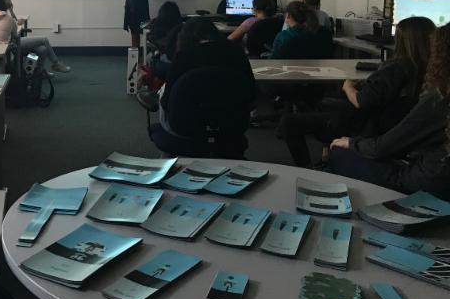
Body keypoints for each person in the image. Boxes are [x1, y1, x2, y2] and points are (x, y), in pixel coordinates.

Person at [279, 16, 435, 167]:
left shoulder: (396, 69)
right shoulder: (434, 71)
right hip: (393, 132)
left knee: (289, 123)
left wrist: (348, 85)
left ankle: (307, 168)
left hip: (360, 124)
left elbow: (361, 101)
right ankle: (328, 155)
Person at [328, 24, 450, 197]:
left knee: (338, 153)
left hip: (429, 182)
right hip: (438, 171)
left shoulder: (441, 98)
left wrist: (352, 143)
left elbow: (384, 147)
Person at [160, 17, 255, 113]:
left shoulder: (182, 57)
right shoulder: (237, 52)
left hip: (188, 120)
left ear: (183, 38)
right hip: (233, 117)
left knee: (164, 89)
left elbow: (166, 102)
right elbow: (251, 93)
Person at [0, 0, 71, 73]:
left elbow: (13, 26)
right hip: (11, 44)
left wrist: (12, 12)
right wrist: (14, 18)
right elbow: (15, 32)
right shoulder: (6, 17)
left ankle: (39, 73)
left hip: (8, 43)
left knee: (42, 49)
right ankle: (56, 63)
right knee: (44, 39)